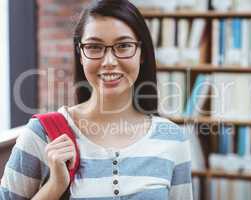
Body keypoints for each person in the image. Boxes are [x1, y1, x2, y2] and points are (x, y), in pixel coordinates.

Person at [0, 0, 193, 199]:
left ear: (141, 53)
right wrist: (55, 186)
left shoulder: (172, 139)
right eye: (94, 47)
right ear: (80, 54)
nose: (109, 62)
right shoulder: (42, 135)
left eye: (124, 46)